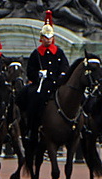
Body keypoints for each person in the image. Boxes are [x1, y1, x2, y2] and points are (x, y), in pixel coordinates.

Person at [22, 11, 70, 153]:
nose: (48, 40)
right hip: (42, 84)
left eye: (50, 37)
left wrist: (62, 75)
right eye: (45, 37)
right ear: (41, 38)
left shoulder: (59, 53)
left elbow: (65, 67)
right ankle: (33, 128)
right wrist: (37, 75)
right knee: (35, 98)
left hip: (57, 83)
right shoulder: (36, 54)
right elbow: (29, 70)